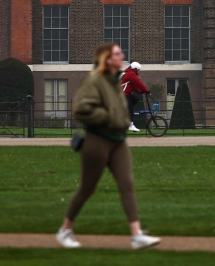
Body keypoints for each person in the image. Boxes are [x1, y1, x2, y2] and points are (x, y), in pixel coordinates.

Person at [56, 43, 161, 251]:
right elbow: (81, 108)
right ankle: (65, 230)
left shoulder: (116, 82)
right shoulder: (94, 82)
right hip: (97, 141)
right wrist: (108, 118)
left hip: (118, 141)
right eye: (116, 53)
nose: (121, 55)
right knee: (87, 188)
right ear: (106, 59)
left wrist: (122, 122)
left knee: (127, 184)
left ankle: (136, 234)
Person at [121, 61, 150, 132]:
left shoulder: (128, 73)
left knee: (136, 99)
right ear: (135, 69)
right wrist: (146, 90)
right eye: (138, 70)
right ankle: (130, 125)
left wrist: (140, 91)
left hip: (126, 93)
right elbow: (138, 82)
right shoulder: (131, 74)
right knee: (130, 108)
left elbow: (133, 85)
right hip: (123, 94)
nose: (139, 71)